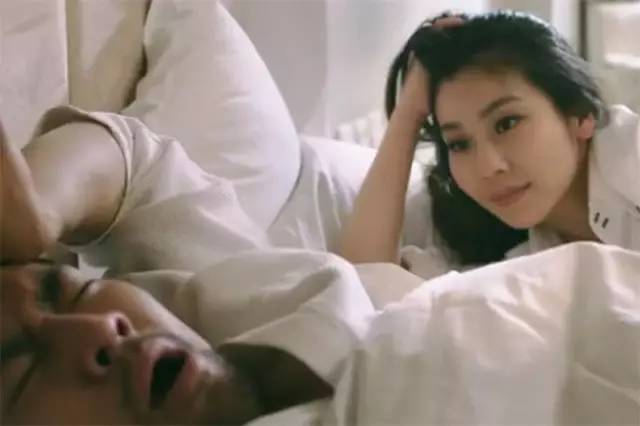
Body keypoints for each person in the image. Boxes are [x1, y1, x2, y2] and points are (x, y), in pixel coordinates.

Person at [339, 10, 640, 273]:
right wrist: (408, 115)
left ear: (581, 115)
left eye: (507, 124)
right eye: (458, 144)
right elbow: (364, 280)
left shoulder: (630, 152)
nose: (487, 167)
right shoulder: (514, 254)